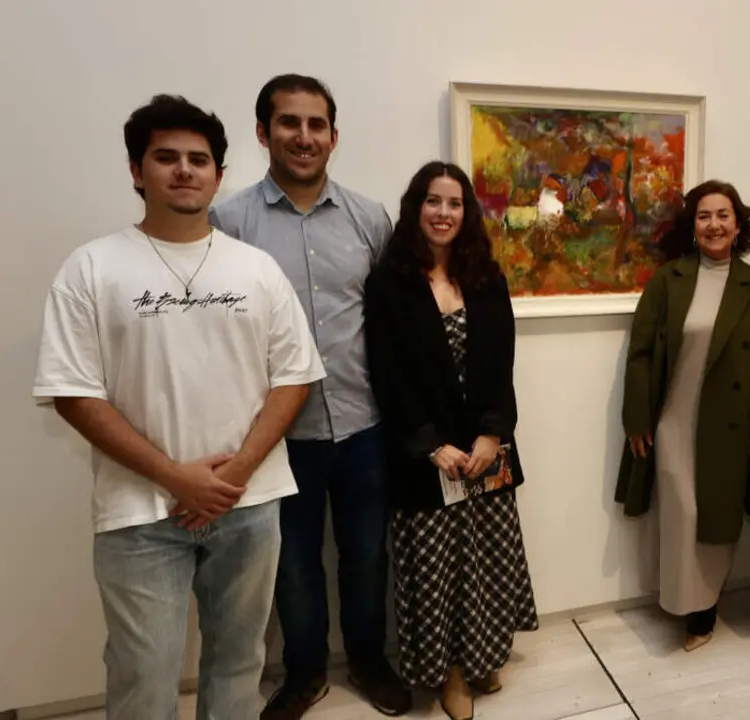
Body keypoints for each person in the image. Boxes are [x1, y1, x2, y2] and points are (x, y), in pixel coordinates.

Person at [32, 95, 325, 719]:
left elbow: (294, 379)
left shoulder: (257, 270)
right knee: (144, 675)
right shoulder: (91, 268)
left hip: (249, 504)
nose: (184, 170)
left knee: (239, 662)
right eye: (166, 158)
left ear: (219, 175)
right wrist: (176, 477)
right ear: (138, 171)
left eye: (199, 160)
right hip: (139, 511)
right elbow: (72, 392)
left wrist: (233, 475)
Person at [209, 74, 410, 717]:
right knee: (291, 567)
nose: (304, 137)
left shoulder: (368, 217)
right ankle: (305, 673)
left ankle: (370, 662)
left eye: (316, 125)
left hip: (363, 425)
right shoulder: (228, 221)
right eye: (289, 124)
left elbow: (391, 318)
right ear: (264, 133)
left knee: (366, 557)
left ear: (333, 136)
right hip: (275, 437)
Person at [364, 161, 538, 720]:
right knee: (437, 571)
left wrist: (493, 433)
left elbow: (502, 363)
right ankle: (452, 674)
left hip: (484, 451)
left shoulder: (486, 276)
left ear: (468, 212)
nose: (444, 213)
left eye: (455, 203)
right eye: (433, 202)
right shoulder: (390, 283)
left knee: (484, 562)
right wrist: (430, 444)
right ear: (416, 208)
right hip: (425, 456)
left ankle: (484, 657)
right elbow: (385, 374)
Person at [615, 180, 750, 652]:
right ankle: (685, 604)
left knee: (715, 518)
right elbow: (640, 352)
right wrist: (636, 419)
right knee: (682, 513)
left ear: (738, 224)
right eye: (704, 216)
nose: (714, 224)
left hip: (728, 422)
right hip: (672, 419)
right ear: (693, 226)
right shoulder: (669, 279)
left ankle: (704, 610)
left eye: (723, 215)